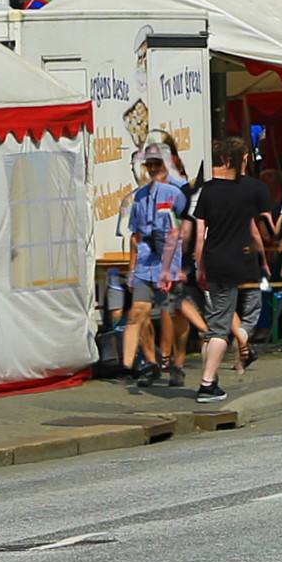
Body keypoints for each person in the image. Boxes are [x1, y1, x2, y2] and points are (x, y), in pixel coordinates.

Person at [188, 139, 276, 403]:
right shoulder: (252, 189)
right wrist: (266, 257)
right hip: (238, 260)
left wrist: (200, 266)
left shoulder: (207, 191)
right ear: (239, 160)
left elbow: (201, 237)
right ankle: (206, 384)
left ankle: (211, 379)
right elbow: (266, 228)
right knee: (219, 328)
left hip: (214, 260)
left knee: (215, 319)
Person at [122, 146, 191, 389]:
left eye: (157, 164)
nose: (152, 169)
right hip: (146, 262)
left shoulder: (178, 191)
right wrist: (132, 270)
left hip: (172, 262)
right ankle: (151, 364)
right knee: (139, 312)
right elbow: (136, 235)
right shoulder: (140, 196)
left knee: (175, 315)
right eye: (148, 165)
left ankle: (178, 364)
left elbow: (184, 228)